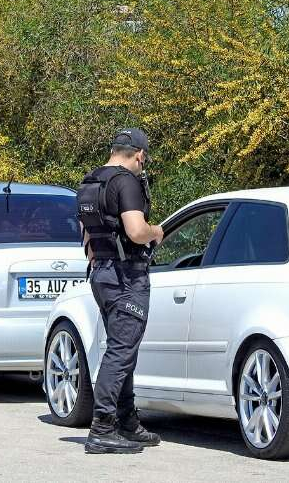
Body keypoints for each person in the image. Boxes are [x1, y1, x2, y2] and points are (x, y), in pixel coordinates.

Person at [77, 127, 164, 454]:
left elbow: (87, 237)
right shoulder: (126, 182)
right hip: (126, 276)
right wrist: (157, 231)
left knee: (123, 349)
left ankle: (126, 422)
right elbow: (136, 230)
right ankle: (102, 429)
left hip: (101, 272)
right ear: (139, 155)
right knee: (121, 351)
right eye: (145, 159)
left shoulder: (90, 182)